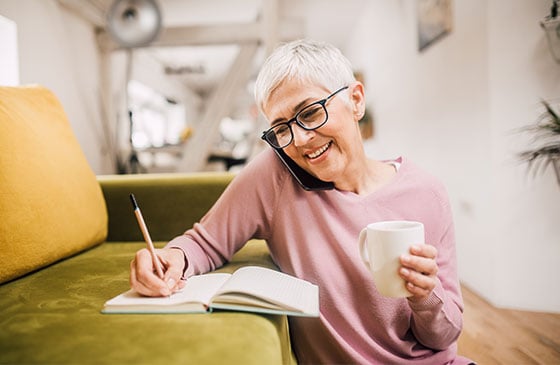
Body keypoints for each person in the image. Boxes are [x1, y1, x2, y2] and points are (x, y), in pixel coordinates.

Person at [130, 39, 472, 365]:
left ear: (355, 100)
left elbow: (444, 337)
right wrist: (169, 258)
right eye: (281, 128)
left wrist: (424, 297)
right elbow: (205, 242)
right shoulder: (276, 176)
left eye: (309, 113)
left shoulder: (427, 193)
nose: (300, 140)